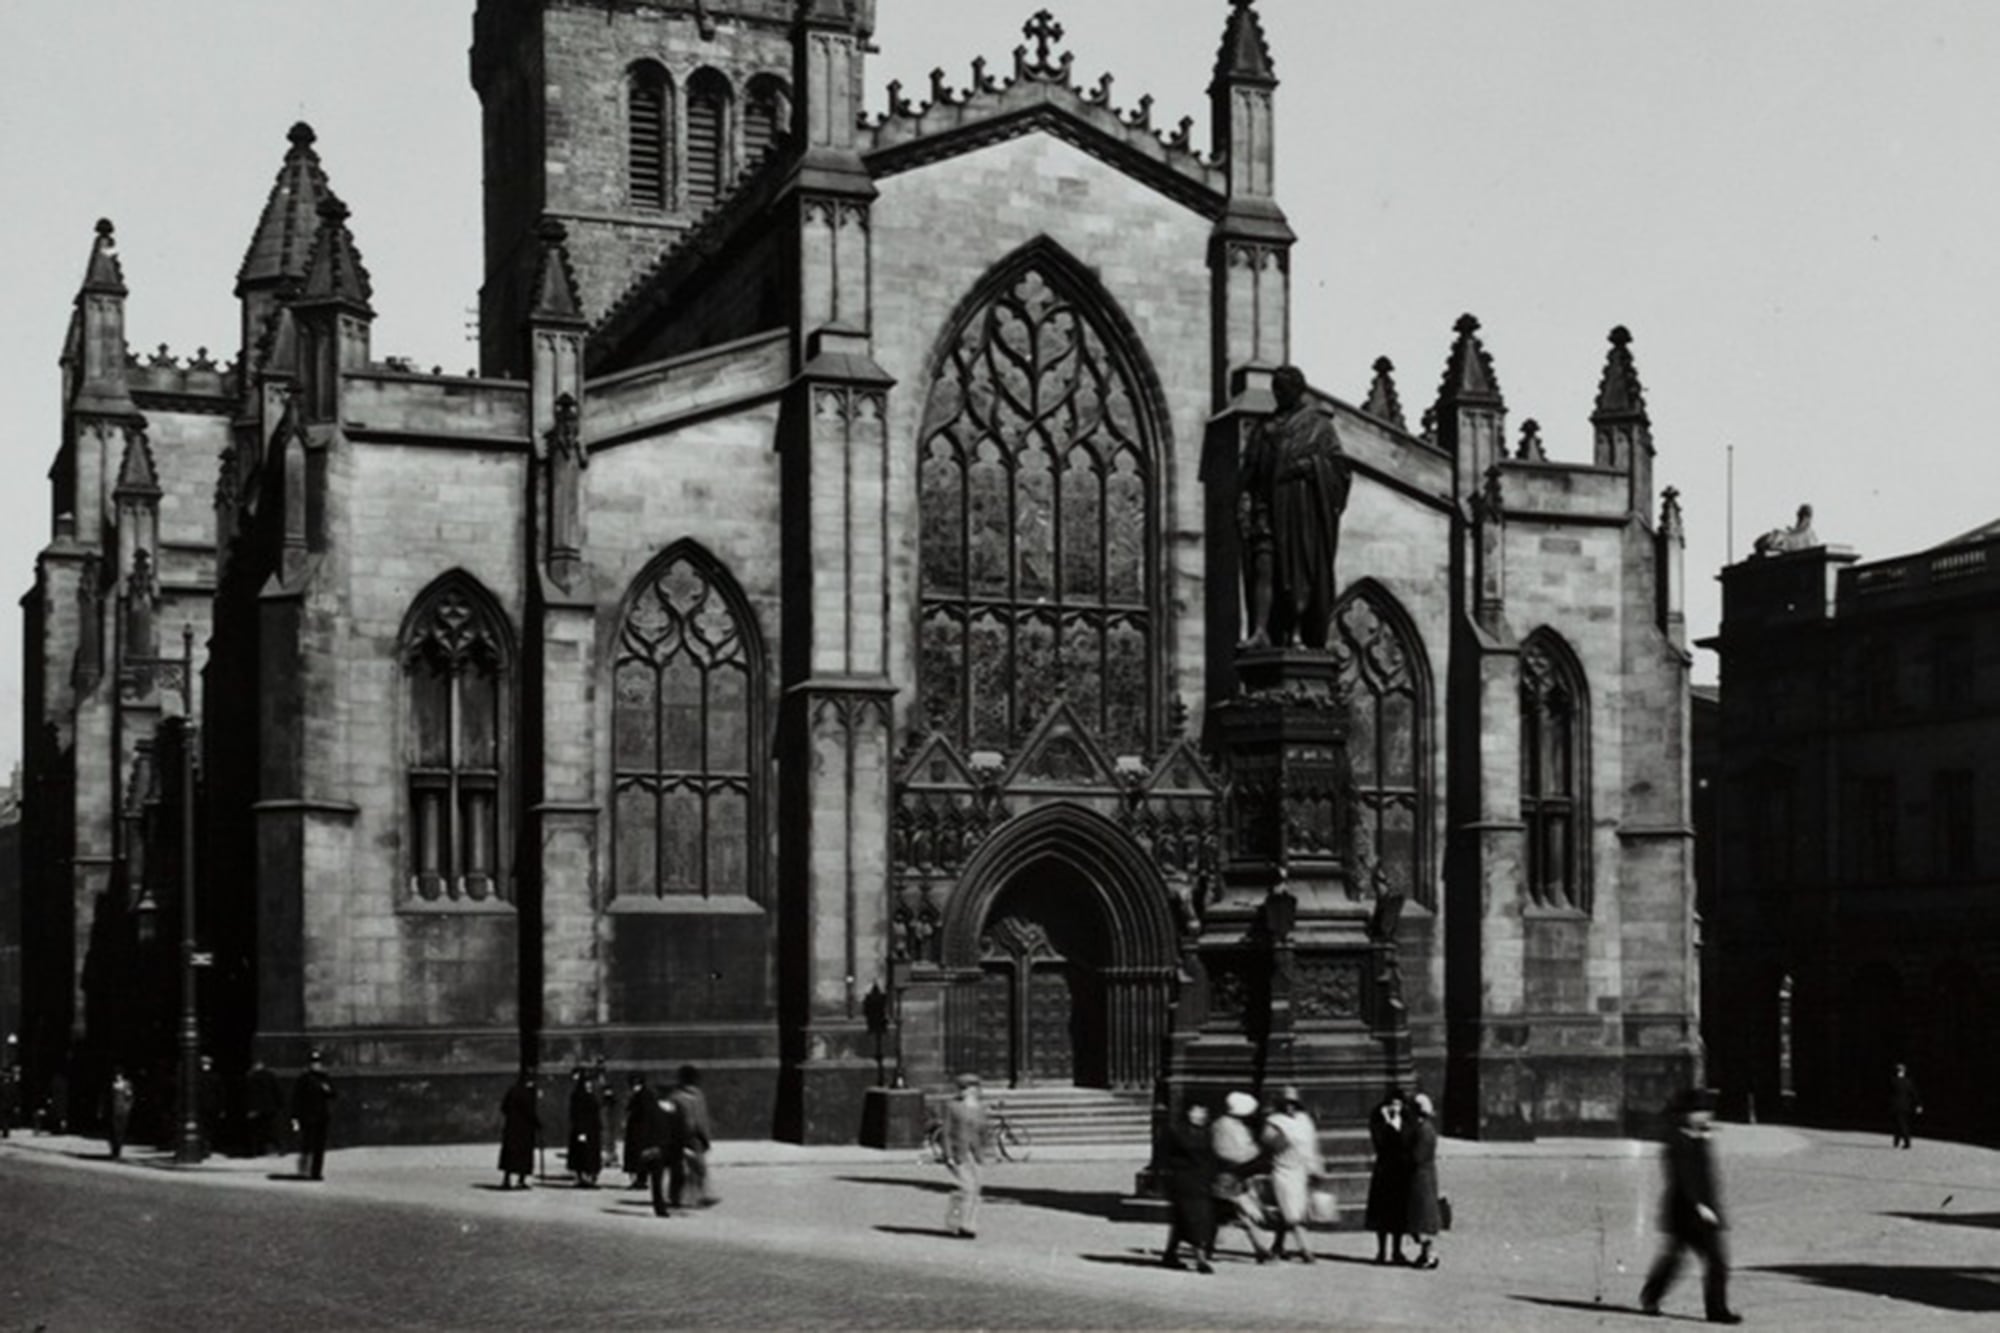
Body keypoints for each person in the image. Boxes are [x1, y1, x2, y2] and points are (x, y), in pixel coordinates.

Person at [1238, 363, 1353, 650]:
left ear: (1297, 389)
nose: (1277, 394)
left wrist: (1311, 467)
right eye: (1275, 389)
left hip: (1299, 512)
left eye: (1283, 388)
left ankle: (1298, 632)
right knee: (1264, 565)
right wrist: (1244, 497)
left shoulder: (1318, 426)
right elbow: (1249, 470)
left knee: (1297, 572)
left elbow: (1339, 469)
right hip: (1266, 507)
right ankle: (1261, 630)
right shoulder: (1265, 427)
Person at [1640, 1088, 1741, 1324]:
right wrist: (1699, 1205)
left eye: (1707, 1111)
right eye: (1699, 1112)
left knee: (1701, 1261)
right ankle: (1654, 1296)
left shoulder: (1700, 1138)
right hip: (1686, 1212)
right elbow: (1682, 1178)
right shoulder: (1676, 1141)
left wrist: (1712, 1206)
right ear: (1686, 1114)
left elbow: (1708, 1177)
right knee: (1688, 1260)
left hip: (1704, 1211)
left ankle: (1714, 1309)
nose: (1705, 1116)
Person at [1210, 1090, 1271, 1264]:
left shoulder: (1223, 1125)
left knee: (1226, 1216)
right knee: (1241, 1214)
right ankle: (1261, 1249)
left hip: (1232, 1176)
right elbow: (1231, 1152)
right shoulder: (1226, 1127)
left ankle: (1208, 1246)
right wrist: (1253, 1154)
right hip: (1228, 1175)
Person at [1261, 1086, 1318, 1263]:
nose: (1289, 1107)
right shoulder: (1274, 1121)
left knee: (1292, 1210)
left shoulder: (1304, 1120)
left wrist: (1315, 1166)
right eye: (1286, 1104)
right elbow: (1267, 1142)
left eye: (1293, 1104)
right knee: (1293, 1213)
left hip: (1301, 1170)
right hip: (1284, 1170)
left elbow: (1312, 1145)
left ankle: (1277, 1246)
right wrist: (1279, 1139)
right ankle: (1306, 1249)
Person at [1158, 1101, 1216, 1273]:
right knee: (1195, 1217)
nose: (1200, 1115)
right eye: (1195, 1111)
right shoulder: (1176, 1131)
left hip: (1201, 1180)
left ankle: (1170, 1253)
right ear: (1187, 1113)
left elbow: (1210, 1157)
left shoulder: (1206, 1133)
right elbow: (1163, 1156)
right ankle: (1200, 1259)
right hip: (1183, 1180)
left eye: (1203, 1111)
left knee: (1184, 1218)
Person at [942, 1073, 991, 1239]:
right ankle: (958, 1222)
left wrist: (987, 1151)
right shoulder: (953, 1107)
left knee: (976, 1189)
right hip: (959, 1153)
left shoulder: (980, 1108)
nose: (965, 1092)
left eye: (969, 1088)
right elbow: (947, 1132)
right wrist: (947, 1154)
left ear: (976, 1090)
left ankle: (970, 1225)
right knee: (967, 1187)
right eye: (962, 1088)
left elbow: (984, 1132)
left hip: (976, 1154)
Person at [1366, 1087, 1411, 1264]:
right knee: (1382, 1214)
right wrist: (1387, 1122)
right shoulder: (1378, 1121)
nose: (1395, 1108)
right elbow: (1380, 1143)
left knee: (1398, 1213)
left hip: (1400, 1172)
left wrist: (1394, 1124)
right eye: (1392, 1104)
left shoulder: (1406, 1120)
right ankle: (1382, 1251)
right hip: (1384, 1171)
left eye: (1398, 1104)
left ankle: (1397, 1251)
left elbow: (1406, 1141)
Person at [632, 1076, 683, 1217]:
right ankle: (661, 1205)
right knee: (658, 1178)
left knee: (664, 1178)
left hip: (667, 1147)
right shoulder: (667, 1109)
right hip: (660, 1148)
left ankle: (668, 1201)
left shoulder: (661, 1108)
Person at [1404, 1091, 1443, 1270]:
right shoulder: (1424, 1128)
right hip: (1422, 1177)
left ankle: (1430, 1253)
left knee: (1422, 1218)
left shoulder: (1423, 1130)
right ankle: (1426, 1253)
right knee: (1420, 1217)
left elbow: (1418, 1155)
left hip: (1421, 1178)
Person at [667, 1064, 714, 1208]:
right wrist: (706, 1138)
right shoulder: (697, 1096)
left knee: (682, 1169)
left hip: (682, 1137)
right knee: (696, 1168)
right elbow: (702, 1119)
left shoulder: (675, 1096)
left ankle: (679, 1197)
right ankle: (696, 1196)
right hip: (694, 1138)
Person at [290, 1049, 337, 1181]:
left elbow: (334, 1094)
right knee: (307, 1144)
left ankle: (316, 1172)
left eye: (317, 1062)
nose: (316, 1065)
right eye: (313, 1062)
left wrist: (328, 1090)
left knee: (319, 1146)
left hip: (322, 1116)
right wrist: (295, 1117)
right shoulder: (304, 1079)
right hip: (308, 1116)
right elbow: (297, 1098)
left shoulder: (324, 1078)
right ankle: (305, 1170)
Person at [498, 1068, 540, 1190]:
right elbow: (529, 1112)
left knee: (510, 1154)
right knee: (523, 1155)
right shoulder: (527, 1093)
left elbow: (504, 1107)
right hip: (524, 1130)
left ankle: (507, 1179)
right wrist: (537, 1124)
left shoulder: (512, 1090)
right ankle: (521, 1179)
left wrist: (512, 1117)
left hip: (511, 1128)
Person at [566, 1065, 603, 1187]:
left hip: (592, 1130)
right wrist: (581, 1131)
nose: (589, 1086)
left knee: (590, 1154)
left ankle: (589, 1176)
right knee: (583, 1154)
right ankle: (583, 1177)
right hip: (583, 1130)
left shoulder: (590, 1096)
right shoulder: (579, 1096)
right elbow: (577, 1114)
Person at [245, 1059, 284, 1157]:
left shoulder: (252, 1076)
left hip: (262, 1108)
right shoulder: (266, 1076)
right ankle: (272, 1148)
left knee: (260, 1130)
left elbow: (249, 1094)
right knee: (268, 1130)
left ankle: (258, 1151)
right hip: (266, 1107)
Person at [621, 1072, 651, 1189]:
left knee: (635, 1157)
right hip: (641, 1131)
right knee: (640, 1157)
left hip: (637, 1131)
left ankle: (639, 1180)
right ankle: (641, 1179)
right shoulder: (646, 1095)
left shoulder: (639, 1097)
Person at [1889, 1063, 1922, 1150]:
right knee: (1899, 1123)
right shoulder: (1908, 1082)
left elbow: (1889, 1094)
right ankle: (1896, 1141)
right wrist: (1918, 1105)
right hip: (1906, 1106)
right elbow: (1914, 1094)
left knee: (1900, 1123)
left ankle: (1906, 1142)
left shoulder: (1893, 1081)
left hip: (1896, 1106)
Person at [105, 1068, 135, 1160]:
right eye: (116, 1075)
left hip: (122, 1111)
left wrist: (127, 1108)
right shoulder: (111, 1085)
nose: (117, 1077)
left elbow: (130, 1098)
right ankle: (113, 1150)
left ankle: (118, 1151)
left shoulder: (127, 1085)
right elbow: (106, 1098)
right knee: (112, 1131)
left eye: (119, 1075)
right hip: (112, 1111)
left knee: (120, 1131)